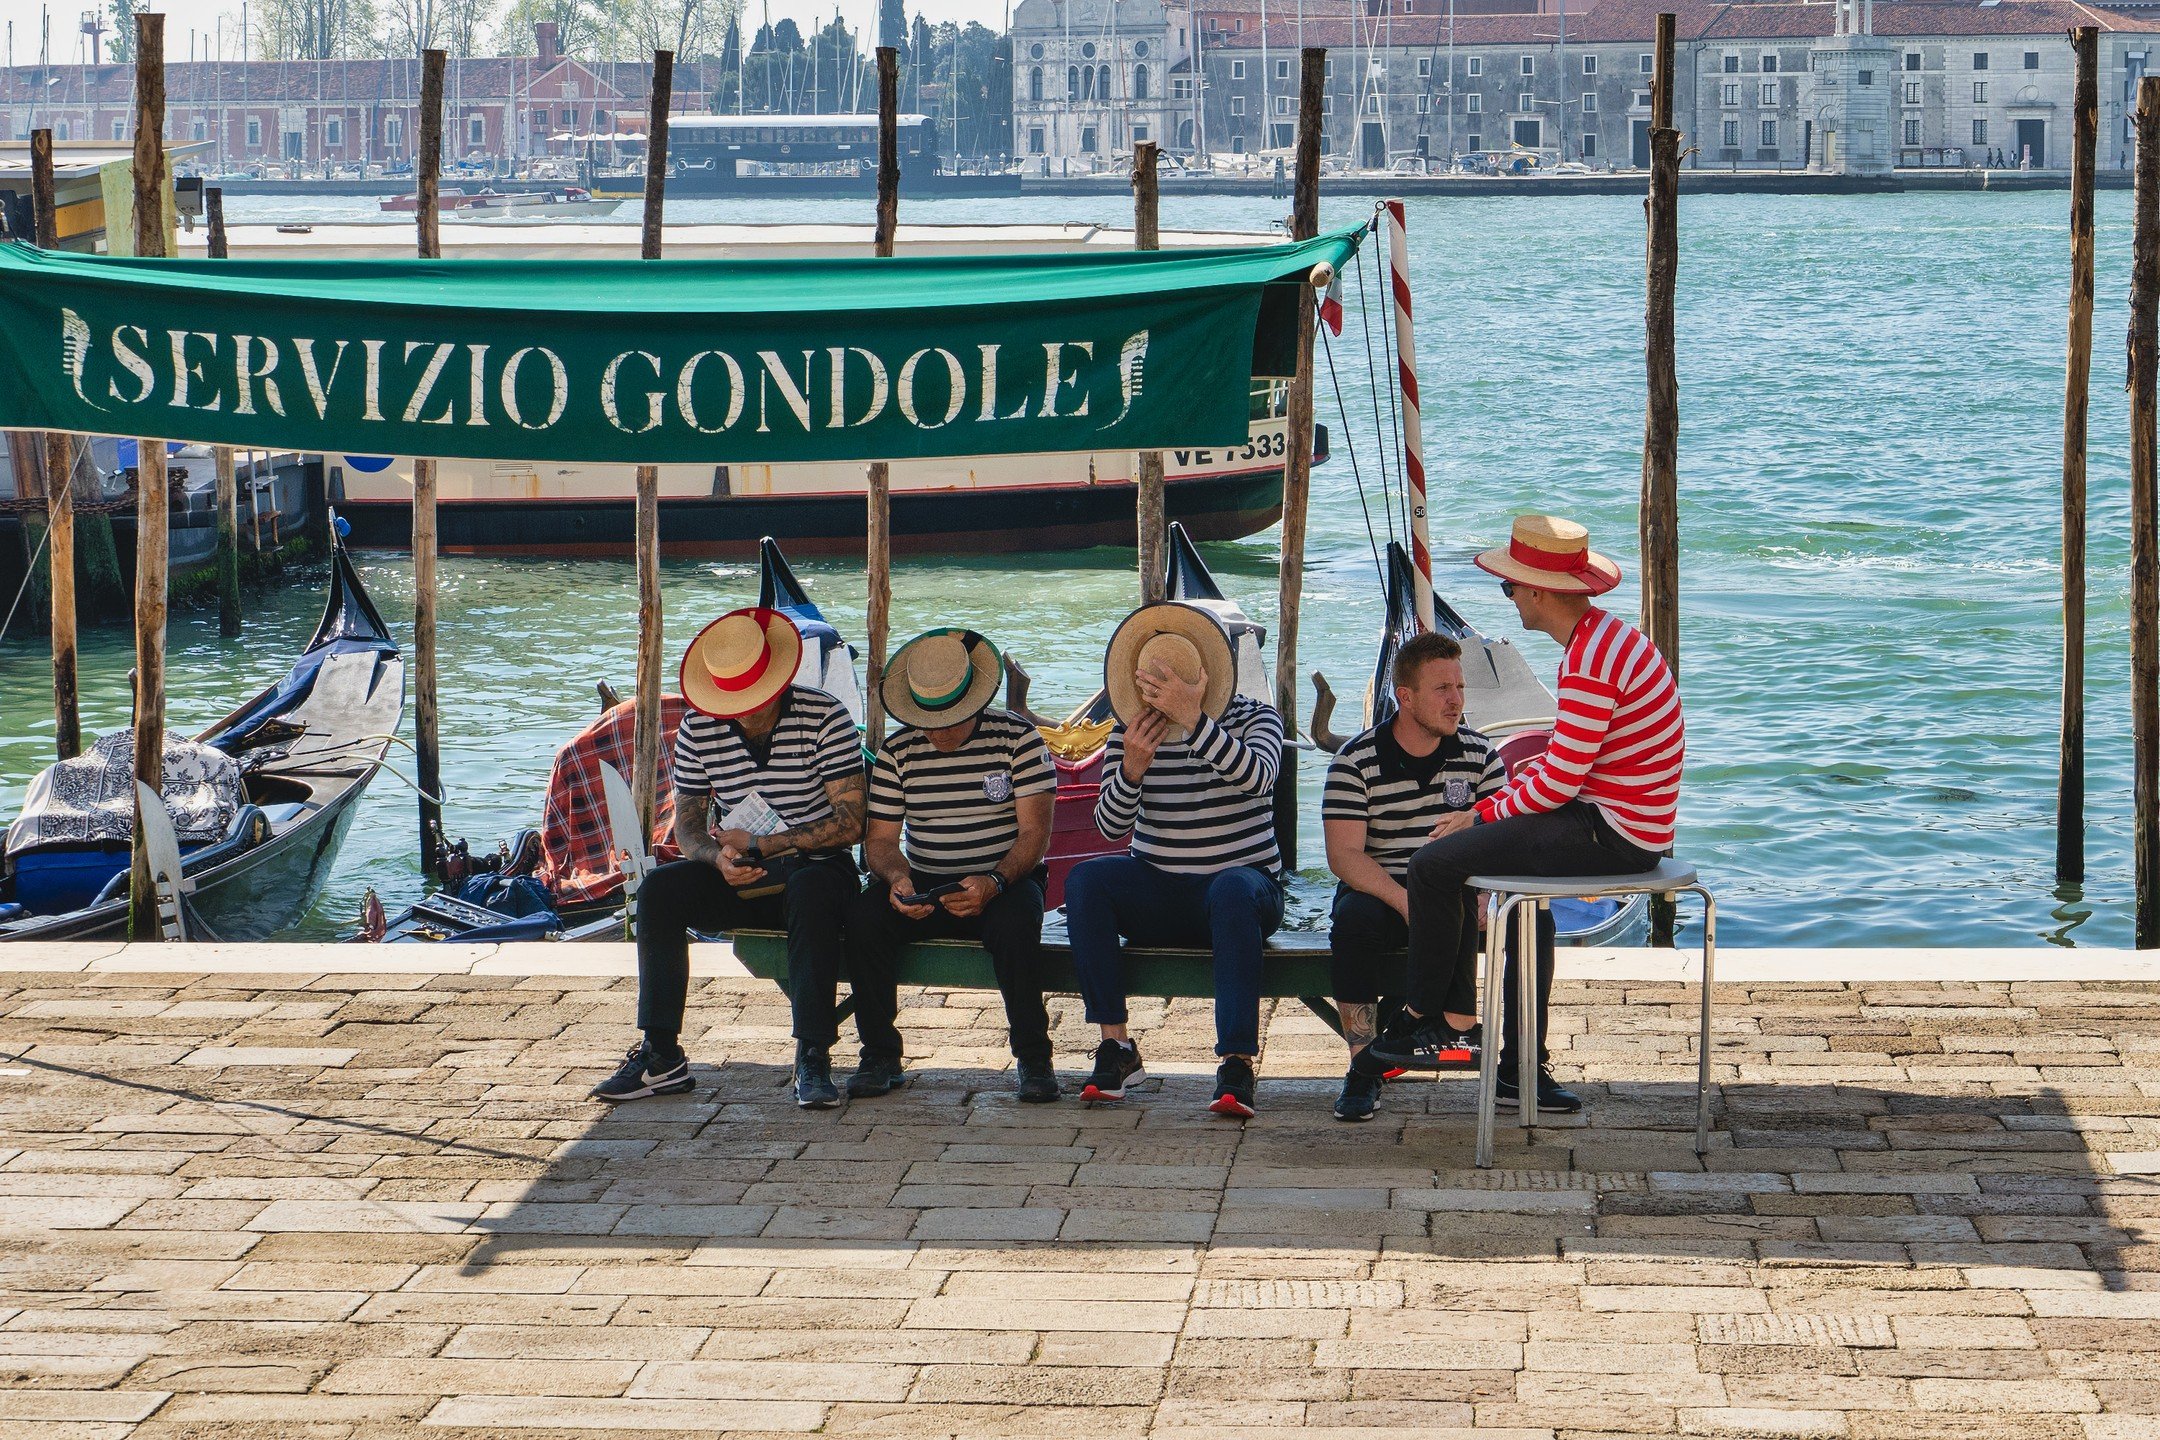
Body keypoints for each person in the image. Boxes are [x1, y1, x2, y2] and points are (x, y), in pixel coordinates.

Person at [1369, 515, 1684, 1115]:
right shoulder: (1607, 640)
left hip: (1612, 834)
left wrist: (1482, 815)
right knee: (1487, 879)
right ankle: (1511, 1063)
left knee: (1435, 863)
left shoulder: (1590, 659)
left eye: (1511, 587)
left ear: (1539, 591)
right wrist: (1496, 814)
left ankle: (1423, 1018)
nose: (1508, 598)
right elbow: (1566, 774)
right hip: (1618, 823)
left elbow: (1561, 780)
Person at [591, 606, 878, 1109]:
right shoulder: (699, 729)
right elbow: (687, 828)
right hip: (742, 871)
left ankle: (813, 1053)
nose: (743, 710)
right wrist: (717, 858)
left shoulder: (825, 716)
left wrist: (767, 844)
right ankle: (661, 1053)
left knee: (811, 888)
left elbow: (851, 824)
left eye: (753, 698)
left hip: (817, 869)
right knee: (659, 890)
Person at [1064, 603, 1285, 1118]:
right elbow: (1110, 827)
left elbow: (1260, 778)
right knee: (1086, 881)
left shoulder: (1257, 716)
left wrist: (1194, 720)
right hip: (1162, 886)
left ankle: (1235, 1062)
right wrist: (1132, 772)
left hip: (1245, 889)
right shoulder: (1129, 728)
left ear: (1206, 672)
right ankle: (1116, 1046)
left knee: (1232, 889)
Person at [849, 627, 1061, 1103]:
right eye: (929, 719)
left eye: (952, 718)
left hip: (1007, 875)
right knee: (864, 918)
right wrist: (897, 878)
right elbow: (880, 842)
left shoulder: (1019, 739)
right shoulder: (897, 752)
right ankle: (880, 1054)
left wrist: (994, 880)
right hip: (925, 876)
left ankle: (1033, 1056)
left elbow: (1035, 837)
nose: (938, 731)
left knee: (1015, 927)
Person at [1321, 631, 1505, 1122]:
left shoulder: (1481, 756)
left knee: (1535, 920)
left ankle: (1522, 1064)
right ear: (1406, 697)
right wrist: (1406, 901)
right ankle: (1364, 1067)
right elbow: (1344, 857)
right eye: (1443, 689)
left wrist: (1490, 894)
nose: (1456, 700)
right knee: (1355, 919)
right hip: (1383, 891)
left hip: (1461, 897)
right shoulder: (1355, 761)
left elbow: (1503, 841)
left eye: (1460, 687)